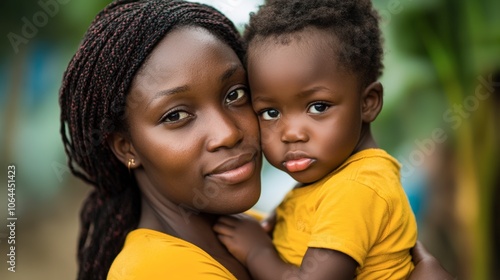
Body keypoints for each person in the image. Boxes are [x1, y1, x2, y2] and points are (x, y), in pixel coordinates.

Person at [59, 0, 453, 279]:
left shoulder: (258, 228)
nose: (229, 132)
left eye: (235, 95)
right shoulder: (154, 270)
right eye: (176, 115)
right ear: (127, 148)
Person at [214, 0, 418, 279]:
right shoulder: (333, 177)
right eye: (270, 112)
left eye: (318, 107)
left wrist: (257, 252)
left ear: (368, 103)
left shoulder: (356, 188)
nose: (291, 133)